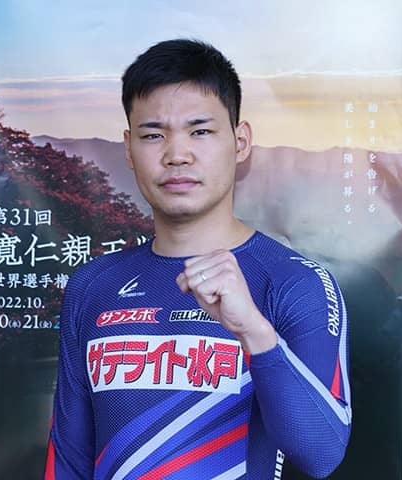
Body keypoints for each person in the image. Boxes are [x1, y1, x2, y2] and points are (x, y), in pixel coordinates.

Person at [44, 39, 351, 480]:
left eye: (200, 131)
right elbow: (68, 460)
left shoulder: (293, 282)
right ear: (128, 149)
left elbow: (321, 453)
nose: (177, 155)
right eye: (153, 135)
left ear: (240, 142)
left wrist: (254, 332)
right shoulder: (93, 285)